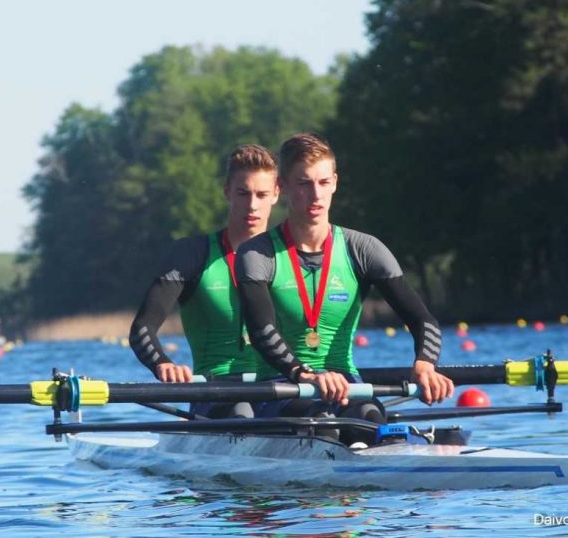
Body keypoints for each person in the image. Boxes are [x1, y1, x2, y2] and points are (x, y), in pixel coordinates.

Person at [235, 132, 453, 438]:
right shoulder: (257, 253)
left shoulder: (363, 249)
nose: (316, 195)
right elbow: (261, 331)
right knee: (323, 426)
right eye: (304, 184)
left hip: (349, 386)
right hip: (282, 388)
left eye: (324, 183)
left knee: (370, 419)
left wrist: (426, 363)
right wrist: (305, 375)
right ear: (282, 187)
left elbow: (422, 320)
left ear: (335, 182)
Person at [128, 144, 280, 418]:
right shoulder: (191, 254)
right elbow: (142, 330)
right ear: (226, 192)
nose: (252, 205)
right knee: (242, 413)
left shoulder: (289, 257)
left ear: (276, 195)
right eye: (243, 193)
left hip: (278, 389)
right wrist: (163, 363)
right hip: (216, 392)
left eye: (261, 194)